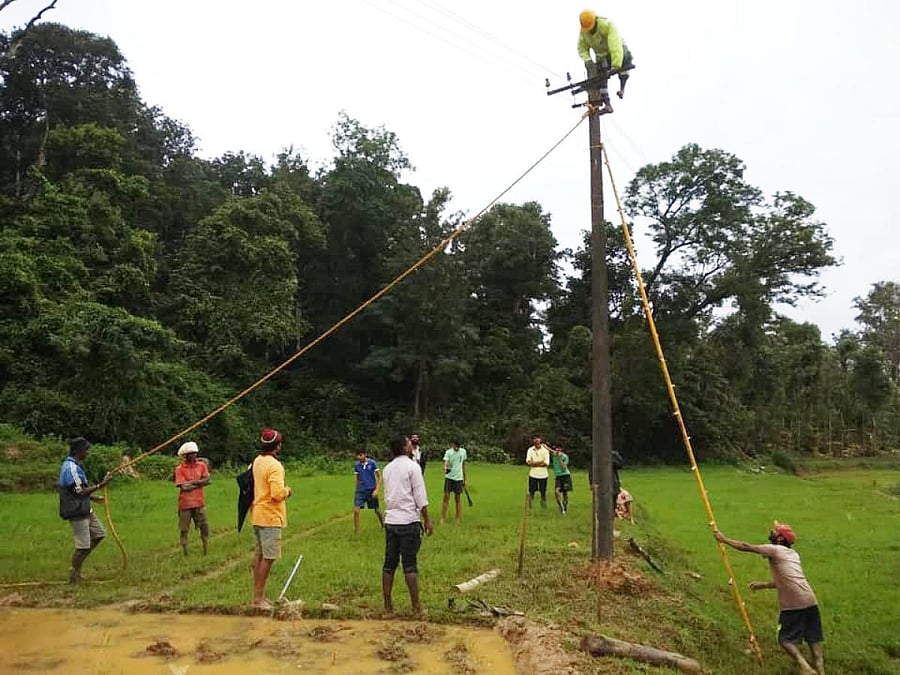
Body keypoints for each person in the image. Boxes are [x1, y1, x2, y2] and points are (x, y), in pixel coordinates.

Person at [714, 522, 824, 675]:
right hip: (811, 600)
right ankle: (820, 667)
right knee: (813, 637)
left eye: (775, 531)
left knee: (784, 640)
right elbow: (787, 579)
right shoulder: (793, 554)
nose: (772, 532)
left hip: (794, 604)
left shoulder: (775, 549)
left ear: (780, 539)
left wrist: (724, 539)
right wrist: (763, 585)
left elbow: (747, 546)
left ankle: (805, 667)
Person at [381, 435, 433, 614]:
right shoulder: (413, 467)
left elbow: (388, 495)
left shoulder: (387, 469)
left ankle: (388, 607)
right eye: (409, 443)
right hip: (408, 521)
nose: (411, 444)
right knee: (409, 565)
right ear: (405, 448)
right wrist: (427, 519)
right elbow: (420, 497)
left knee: (389, 564)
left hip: (391, 521)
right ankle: (416, 607)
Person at [58, 437, 112, 584]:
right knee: (83, 545)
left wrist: (94, 498)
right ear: (79, 451)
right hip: (76, 512)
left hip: (84, 509)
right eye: (86, 450)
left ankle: (77, 570)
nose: (88, 453)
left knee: (99, 534)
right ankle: (74, 574)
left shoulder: (76, 466)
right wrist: (101, 484)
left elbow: (76, 491)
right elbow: (80, 492)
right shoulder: (71, 468)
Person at [250, 428, 293, 610]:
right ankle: (259, 599)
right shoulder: (275, 466)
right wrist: (288, 491)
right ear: (278, 446)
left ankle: (258, 596)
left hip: (258, 513)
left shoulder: (258, 461)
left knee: (260, 556)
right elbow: (276, 494)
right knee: (268, 558)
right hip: (270, 515)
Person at [577, 9, 635, 114]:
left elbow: (615, 45)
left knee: (626, 57)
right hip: (601, 57)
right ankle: (607, 104)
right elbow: (582, 48)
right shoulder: (584, 32)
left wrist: (615, 65)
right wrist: (588, 61)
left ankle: (622, 88)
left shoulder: (606, 25)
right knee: (599, 76)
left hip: (616, 51)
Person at [174, 441, 211, 556]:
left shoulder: (202, 465)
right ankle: (185, 551)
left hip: (199, 503)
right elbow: (184, 487)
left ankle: (205, 549)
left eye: (195, 453)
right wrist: (200, 483)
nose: (194, 456)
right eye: (191, 454)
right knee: (184, 529)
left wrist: (193, 482)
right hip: (185, 504)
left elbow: (207, 480)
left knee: (204, 527)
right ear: (186, 455)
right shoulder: (179, 469)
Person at [353, 447, 384, 534]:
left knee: (377, 510)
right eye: (357, 456)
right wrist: (356, 491)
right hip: (361, 490)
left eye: (360, 455)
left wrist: (376, 490)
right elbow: (357, 479)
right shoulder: (357, 465)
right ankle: (357, 531)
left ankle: (383, 524)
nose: (359, 457)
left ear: (365, 454)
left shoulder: (372, 463)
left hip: (371, 490)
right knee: (356, 511)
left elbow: (380, 477)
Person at [440, 439, 468, 524]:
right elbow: (445, 462)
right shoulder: (448, 452)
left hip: (459, 478)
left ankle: (458, 518)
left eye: (458, 446)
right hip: (449, 478)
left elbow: (463, 465)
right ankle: (442, 518)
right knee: (446, 497)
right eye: (455, 446)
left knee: (458, 498)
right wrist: (445, 468)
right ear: (452, 444)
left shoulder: (463, 452)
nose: (457, 448)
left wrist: (465, 479)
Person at [525, 434, 551, 510]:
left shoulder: (545, 451)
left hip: (543, 475)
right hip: (533, 475)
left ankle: (543, 507)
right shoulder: (530, 450)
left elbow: (546, 463)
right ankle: (530, 507)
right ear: (533, 440)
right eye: (535, 439)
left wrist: (534, 463)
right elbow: (529, 462)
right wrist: (540, 462)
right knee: (531, 492)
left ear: (540, 440)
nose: (537, 440)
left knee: (543, 492)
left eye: (538, 438)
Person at [550, 445, 573, 515]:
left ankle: (565, 508)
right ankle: (561, 507)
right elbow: (549, 450)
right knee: (556, 492)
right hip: (558, 477)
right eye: (556, 449)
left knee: (565, 493)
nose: (557, 450)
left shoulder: (565, 457)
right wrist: (544, 445)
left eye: (559, 449)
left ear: (561, 449)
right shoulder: (554, 455)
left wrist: (560, 458)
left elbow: (563, 468)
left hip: (565, 476)